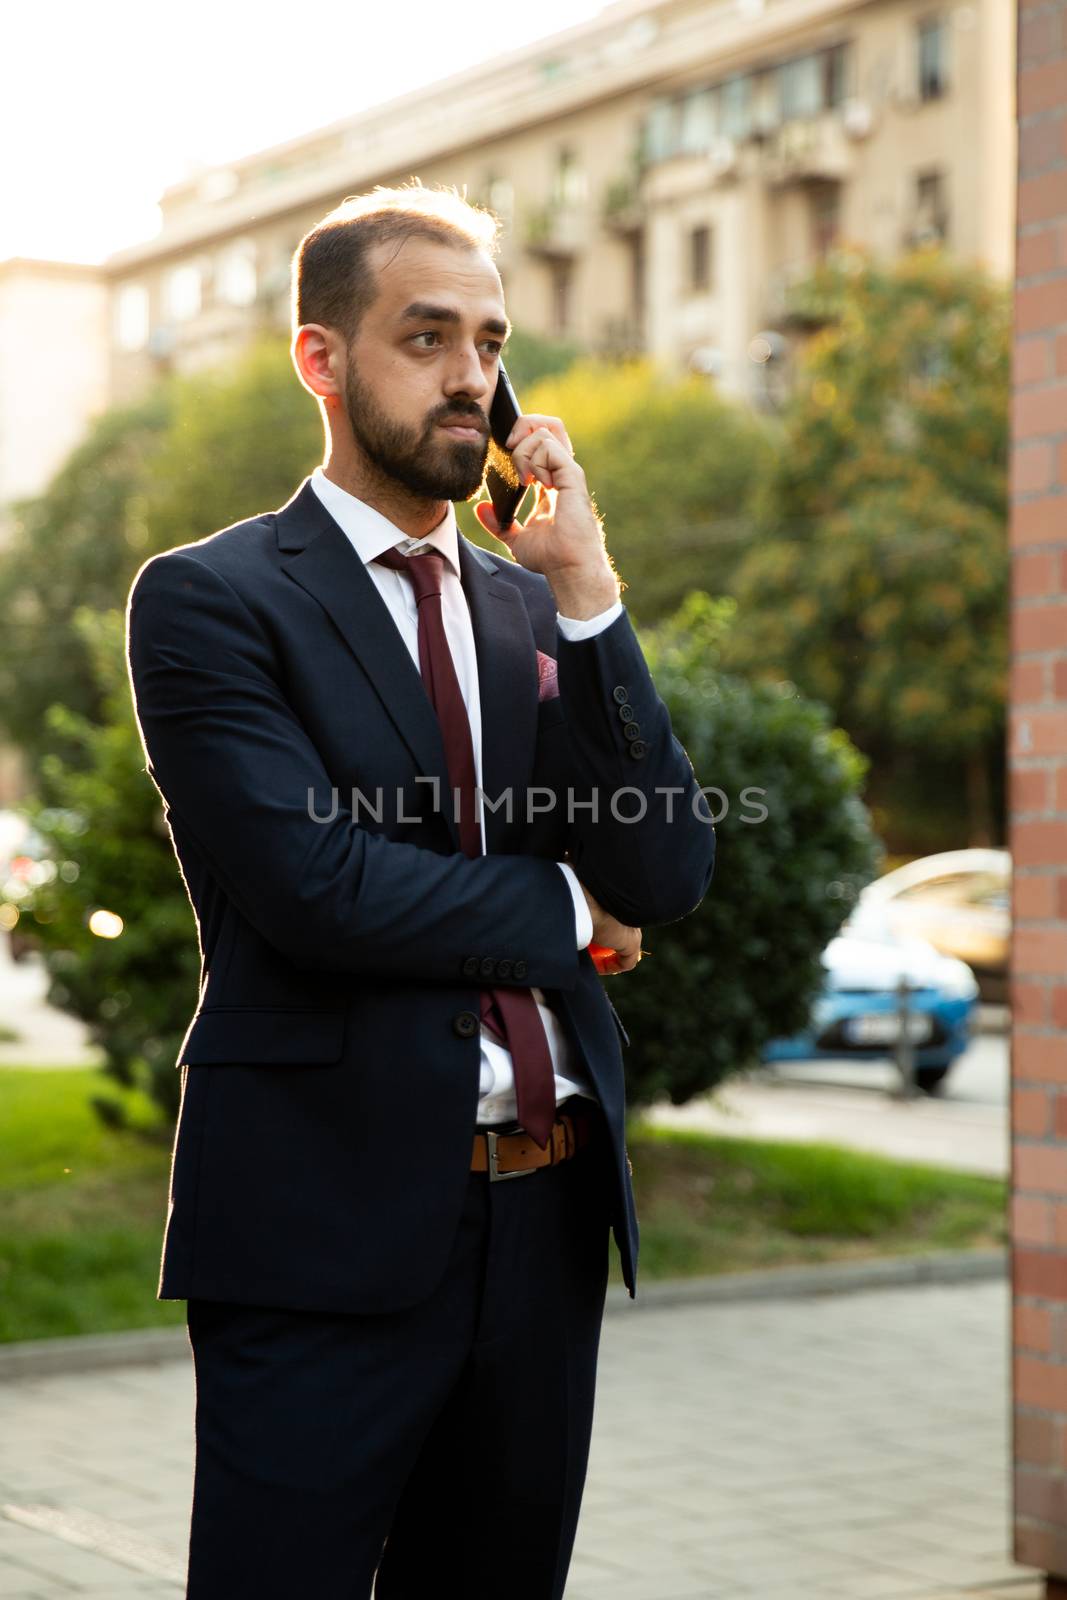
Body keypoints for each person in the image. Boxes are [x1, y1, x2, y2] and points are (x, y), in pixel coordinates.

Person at [125, 182, 714, 1600]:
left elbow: (666, 866)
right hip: (321, 1225)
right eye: (427, 335)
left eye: (491, 342)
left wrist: (589, 595)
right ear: (321, 360)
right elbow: (318, 886)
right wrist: (570, 920)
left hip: (548, 1224)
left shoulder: (531, 607)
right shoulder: (213, 601)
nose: (470, 377)